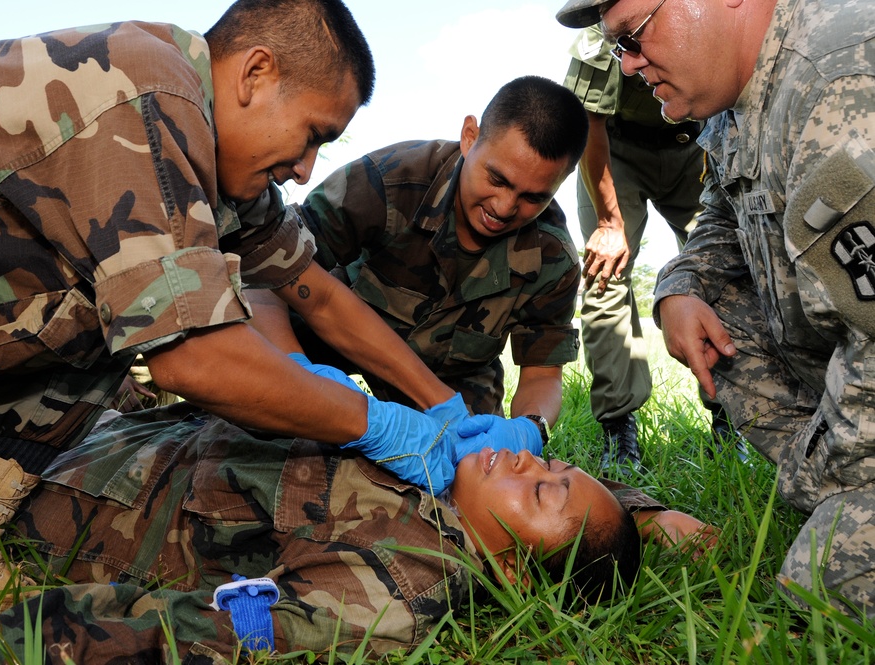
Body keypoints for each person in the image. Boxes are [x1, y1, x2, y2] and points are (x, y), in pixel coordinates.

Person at [0, 0, 530, 648]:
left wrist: (436, 403)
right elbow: (192, 360)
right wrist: (377, 421)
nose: (307, 169)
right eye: (314, 135)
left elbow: (318, 295)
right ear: (256, 75)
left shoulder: (225, 176)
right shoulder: (150, 95)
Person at [0, 399, 713, 664]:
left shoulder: (392, 589)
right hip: (44, 436)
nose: (521, 462)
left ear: (517, 577)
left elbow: (159, 633)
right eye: (548, 465)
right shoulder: (437, 469)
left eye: (542, 491)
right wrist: (642, 507)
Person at [555, 0, 875, 619]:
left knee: (819, 589)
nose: (628, 67)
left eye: (635, 37)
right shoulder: (735, 108)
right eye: (617, 48)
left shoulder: (840, 79)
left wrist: (843, 485)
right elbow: (723, 216)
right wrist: (677, 285)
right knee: (708, 305)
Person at [269, 75, 587, 432]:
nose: (505, 206)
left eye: (534, 198)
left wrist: (530, 428)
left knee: (467, 459)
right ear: (470, 137)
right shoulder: (388, 181)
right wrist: (291, 371)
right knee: (267, 407)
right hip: (332, 332)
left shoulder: (552, 256)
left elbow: (543, 373)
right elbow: (271, 269)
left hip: (450, 376)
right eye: (497, 179)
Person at [560, 24, 710, 470]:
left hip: (696, 141)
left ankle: (731, 418)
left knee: (725, 270)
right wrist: (609, 222)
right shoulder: (605, 25)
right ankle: (619, 431)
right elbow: (586, 119)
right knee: (604, 275)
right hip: (612, 148)